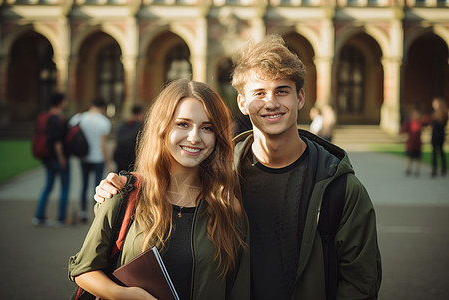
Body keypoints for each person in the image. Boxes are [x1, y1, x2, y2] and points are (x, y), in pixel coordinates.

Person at [94, 35, 382, 299]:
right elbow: (167, 179)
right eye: (259, 93)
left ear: (301, 98)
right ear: (242, 103)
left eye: (282, 91)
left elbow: (361, 282)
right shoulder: (215, 174)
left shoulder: (339, 187)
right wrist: (124, 184)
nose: (271, 102)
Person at [68, 79, 249, 300]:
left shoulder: (227, 204)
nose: (194, 137)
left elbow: (237, 288)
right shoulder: (124, 193)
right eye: (183, 124)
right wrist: (126, 295)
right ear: (162, 127)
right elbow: (83, 269)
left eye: (207, 128)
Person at [70, 97, 111, 222]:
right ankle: (96, 213)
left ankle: (83, 212)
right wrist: (108, 161)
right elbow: (103, 145)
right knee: (98, 186)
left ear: (91, 104)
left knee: (84, 185)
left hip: (84, 156)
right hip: (98, 158)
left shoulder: (79, 117)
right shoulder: (104, 122)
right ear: (103, 107)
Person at [33, 92, 70, 227]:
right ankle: (61, 218)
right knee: (65, 187)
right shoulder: (58, 119)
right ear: (60, 102)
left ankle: (39, 216)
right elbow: (57, 142)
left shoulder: (44, 117)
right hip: (58, 157)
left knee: (48, 186)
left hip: (46, 157)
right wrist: (62, 159)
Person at [113, 104, 144, 172]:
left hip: (120, 158)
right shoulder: (141, 126)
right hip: (132, 160)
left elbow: (116, 141)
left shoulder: (123, 124)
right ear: (140, 113)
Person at [400, 105, 425, 176]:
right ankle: (408, 168)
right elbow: (404, 129)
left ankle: (417, 170)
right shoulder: (409, 122)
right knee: (409, 156)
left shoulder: (420, 122)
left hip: (417, 143)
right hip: (411, 142)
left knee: (417, 157)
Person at [430, 97, 448, 177]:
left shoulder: (442, 114)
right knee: (436, 152)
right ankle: (436, 169)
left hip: (438, 134)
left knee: (439, 152)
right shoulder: (437, 113)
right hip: (437, 134)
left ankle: (441, 169)